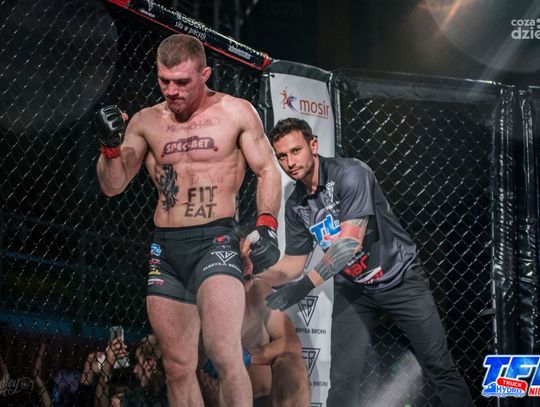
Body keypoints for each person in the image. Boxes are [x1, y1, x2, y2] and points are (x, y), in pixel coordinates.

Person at [95, 33, 281, 407]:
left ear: (204, 75)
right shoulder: (146, 121)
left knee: (224, 353)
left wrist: (266, 225)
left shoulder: (236, 112)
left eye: (181, 82)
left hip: (216, 240)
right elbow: (113, 185)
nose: (172, 91)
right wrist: (110, 149)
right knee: (177, 366)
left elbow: (268, 170)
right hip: (167, 248)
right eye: (164, 81)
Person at [256, 118, 474, 407]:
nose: (290, 162)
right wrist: (254, 280)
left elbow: (349, 244)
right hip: (354, 289)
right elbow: (293, 263)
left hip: (399, 278)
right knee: (342, 379)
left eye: (296, 151)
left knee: (438, 366)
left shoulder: (351, 174)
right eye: (282, 156)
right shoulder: (297, 204)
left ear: (313, 146)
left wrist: (304, 286)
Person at [199, 241, 310, 407]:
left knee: (293, 366)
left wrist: (246, 356)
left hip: (261, 397)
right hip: (217, 400)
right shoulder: (199, 291)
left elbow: (292, 344)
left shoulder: (258, 289)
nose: (246, 262)